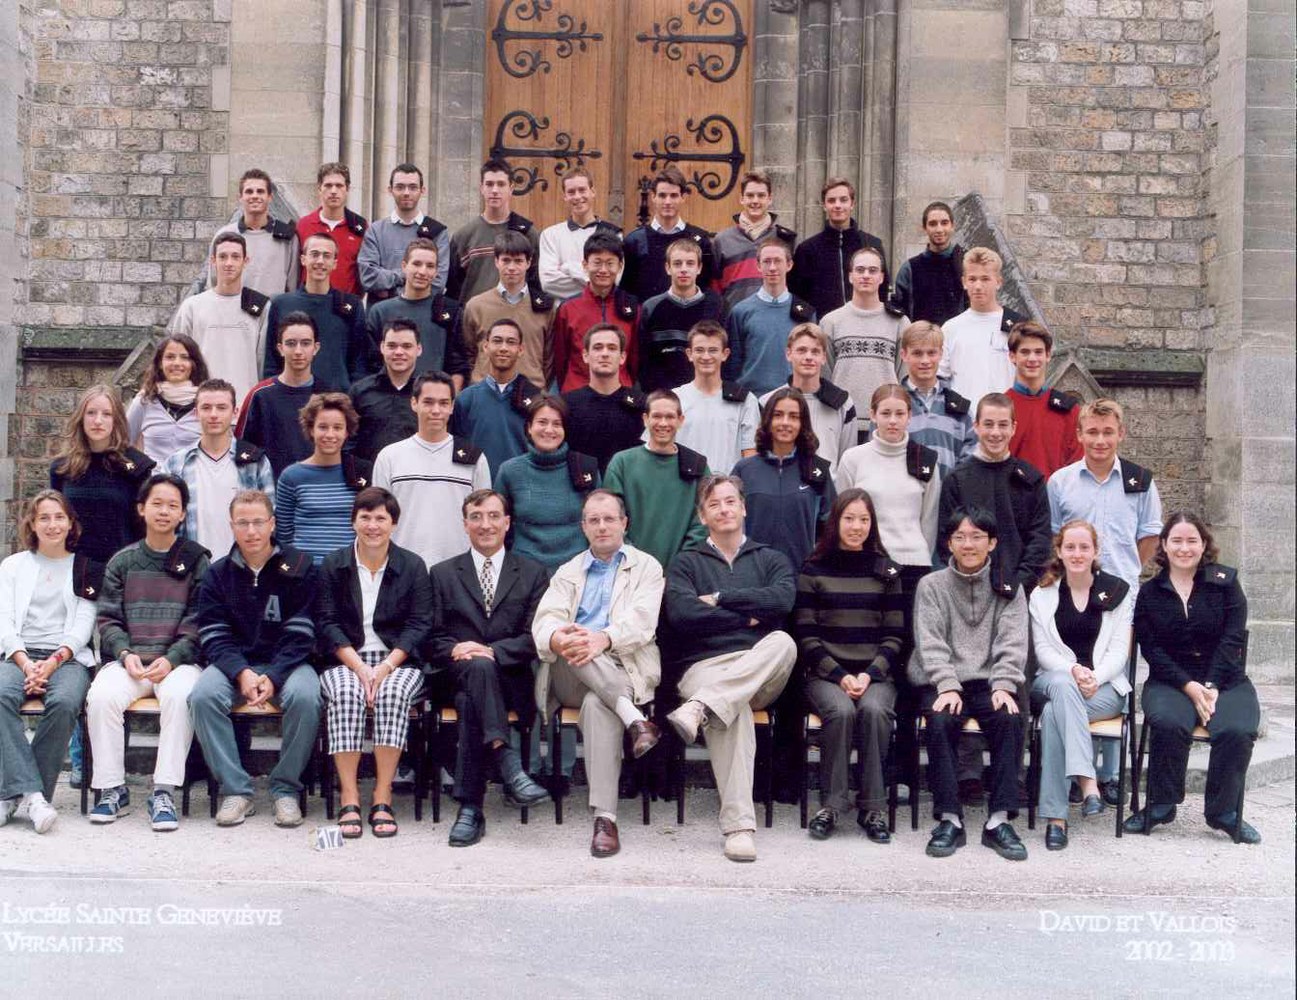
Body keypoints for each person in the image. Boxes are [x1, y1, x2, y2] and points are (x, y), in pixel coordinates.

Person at [663, 475, 797, 862]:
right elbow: (683, 614)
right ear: (702, 516)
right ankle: (739, 829)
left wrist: (721, 597)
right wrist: (748, 617)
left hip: (760, 667)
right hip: (704, 667)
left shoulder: (770, 559)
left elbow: (782, 600)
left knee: (784, 641)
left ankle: (700, 706)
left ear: (743, 507)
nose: (723, 509)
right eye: (714, 504)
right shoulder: (686, 563)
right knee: (731, 708)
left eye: (730, 501)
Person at [532, 489, 666, 857]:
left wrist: (602, 639)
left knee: (597, 703)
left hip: (624, 669)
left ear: (624, 523)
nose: (602, 526)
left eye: (609, 519)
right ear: (583, 527)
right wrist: (560, 637)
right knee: (572, 643)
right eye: (594, 520)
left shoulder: (647, 568)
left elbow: (642, 622)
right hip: (570, 672)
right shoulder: (568, 572)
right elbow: (544, 622)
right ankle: (635, 720)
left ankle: (605, 819)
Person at [1125, 513, 1261, 844]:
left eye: (1191, 541)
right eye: (1176, 540)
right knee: (1168, 722)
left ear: (1203, 545)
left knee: (1237, 729)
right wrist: (1188, 686)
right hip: (1171, 680)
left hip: (1225, 679)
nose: (1184, 548)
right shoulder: (1150, 593)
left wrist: (1210, 685)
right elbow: (1152, 649)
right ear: (1164, 545)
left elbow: (1232, 639)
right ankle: (1161, 804)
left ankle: (1224, 812)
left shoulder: (1226, 583)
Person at [427, 489, 552, 847]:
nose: (486, 524)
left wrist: (492, 651)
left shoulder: (532, 573)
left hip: (510, 681)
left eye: (494, 516)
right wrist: (455, 649)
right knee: (475, 674)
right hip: (454, 675)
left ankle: (471, 808)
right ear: (465, 524)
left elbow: (536, 637)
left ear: (507, 523)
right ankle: (506, 758)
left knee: (472, 698)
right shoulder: (442, 573)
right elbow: (431, 638)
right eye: (477, 517)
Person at [190, 489, 321, 828]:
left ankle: (285, 788)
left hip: (288, 664)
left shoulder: (300, 567)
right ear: (232, 526)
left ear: (272, 524)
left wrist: (274, 675)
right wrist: (241, 673)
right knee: (202, 697)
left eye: (259, 522)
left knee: (307, 697)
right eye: (243, 523)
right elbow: (213, 635)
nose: (251, 531)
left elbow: (302, 633)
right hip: (234, 665)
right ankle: (236, 790)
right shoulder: (217, 574)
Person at [86, 473, 208, 830]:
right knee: (101, 697)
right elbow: (108, 620)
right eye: (157, 503)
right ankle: (112, 789)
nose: (164, 511)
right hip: (132, 662)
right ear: (141, 509)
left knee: (181, 696)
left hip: (178, 663)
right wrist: (125, 654)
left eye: (173, 505)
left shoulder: (196, 560)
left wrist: (172, 658)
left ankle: (164, 791)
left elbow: (199, 620)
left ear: (183, 513)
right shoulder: (122, 561)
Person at [907, 507, 1029, 861]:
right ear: (949, 543)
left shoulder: (1009, 586)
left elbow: (1012, 642)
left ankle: (999, 820)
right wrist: (946, 684)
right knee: (940, 719)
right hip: (942, 678)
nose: (968, 544)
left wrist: (1004, 684)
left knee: (1009, 717)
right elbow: (930, 641)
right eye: (960, 537)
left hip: (990, 680)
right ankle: (949, 818)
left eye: (977, 537)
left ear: (992, 543)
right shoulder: (931, 586)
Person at [315, 487, 433, 839]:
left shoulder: (412, 565)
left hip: (397, 661)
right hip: (346, 659)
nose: (372, 525)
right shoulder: (334, 564)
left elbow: (419, 625)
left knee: (393, 694)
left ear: (394, 524)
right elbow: (327, 622)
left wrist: (383, 669)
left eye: (381, 518)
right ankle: (349, 795)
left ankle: (383, 795)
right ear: (353, 521)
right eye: (365, 517)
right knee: (346, 694)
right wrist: (360, 668)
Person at [795, 488, 905, 842]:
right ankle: (831, 805)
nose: (856, 526)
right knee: (841, 712)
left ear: (872, 525)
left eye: (864, 519)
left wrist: (869, 675)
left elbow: (895, 636)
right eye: (849, 518)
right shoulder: (814, 568)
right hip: (826, 675)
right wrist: (841, 676)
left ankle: (872, 808)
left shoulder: (887, 571)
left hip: (875, 676)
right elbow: (806, 635)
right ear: (835, 522)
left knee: (874, 711)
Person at [1030, 520, 1133, 850]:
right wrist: (1074, 670)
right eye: (1070, 547)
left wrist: (1096, 677)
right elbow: (1043, 651)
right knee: (1062, 686)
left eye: (1084, 547)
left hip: (1104, 689)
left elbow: (1119, 650)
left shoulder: (1116, 591)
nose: (1077, 554)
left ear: (1095, 551)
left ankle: (1056, 819)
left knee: (1054, 714)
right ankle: (1089, 782)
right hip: (1054, 678)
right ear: (1059, 551)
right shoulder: (1042, 594)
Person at [0, 492, 99, 833]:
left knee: (66, 701)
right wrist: (27, 664)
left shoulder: (85, 568)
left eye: (59, 517)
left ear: (71, 523)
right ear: (32, 523)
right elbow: (4, 621)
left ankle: (12, 795)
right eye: (44, 517)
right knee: (1, 694)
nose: (52, 524)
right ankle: (33, 796)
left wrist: (52, 663)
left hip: (67, 658)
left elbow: (83, 626)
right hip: (18, 655)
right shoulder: (13, 566)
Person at [835, 384, 941, 636]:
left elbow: (929, 518)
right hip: (866, 563)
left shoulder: (925, 460)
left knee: (907, 640)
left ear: (909, 416)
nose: (893, 421)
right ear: (873, 415)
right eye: (885, 413)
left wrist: (918, 553)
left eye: (899, 413)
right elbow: (842, 516)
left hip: (913, 566)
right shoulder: (853, 459)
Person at [372, 372, 492, 568]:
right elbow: (379, 519)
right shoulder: (390, 457)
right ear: (414, 403)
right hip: (403, 570)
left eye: (443, 403)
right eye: (428, 402)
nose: (436, 410)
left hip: (458, 572)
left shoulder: (474, 458)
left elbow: (483, 520)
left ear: (452, 406)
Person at [939, 393, 1051, 594]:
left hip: (1020, 592)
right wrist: (970, 583)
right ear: (976, 426)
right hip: (968, 591)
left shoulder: (1031, 480)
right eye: (988, 424)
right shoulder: (956, 480)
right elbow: (946, 540)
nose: (995, 432)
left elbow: (1040, 540)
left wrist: (1018, 585)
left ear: (1013, 428)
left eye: (1003, 425)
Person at [1047, 398, 1162, 591]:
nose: (1100, 441)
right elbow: (1054, 535)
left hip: (1124, 589)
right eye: (1092, 432)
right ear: (1079, 434)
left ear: (1121, 434)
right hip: (1074, 589)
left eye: (1108, 432)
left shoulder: (1141, 482)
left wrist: (1128, 568)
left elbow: (1150, 535)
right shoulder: (1060, 482)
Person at [162, 379, 274, 560]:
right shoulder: (176, 464)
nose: (213, 415)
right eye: (206, 408)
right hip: (193, 567)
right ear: (196, 413)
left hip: (243, 566)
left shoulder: (256, 463)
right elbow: (165, 524)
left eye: (222, 408)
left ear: (235, 412)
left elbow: (269, 519)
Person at [603, 390, 709, 572]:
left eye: (670, 417)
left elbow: (703, 522)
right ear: (645, 419)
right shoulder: (622, 463)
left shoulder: (697, 466)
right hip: (629, 570)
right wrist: (637, 564)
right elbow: (611, 518)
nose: (663, 423)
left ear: (680, 420)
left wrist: (682, 565)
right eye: (657, 416)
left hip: (682, 573)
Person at [732, 386, 833, 574]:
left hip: (801, 578)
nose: (785, 422)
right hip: (752, 577)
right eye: (778, 415)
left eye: (794, 417)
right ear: (767, 420)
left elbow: (830, 528)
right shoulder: (744, 470)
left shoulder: (818, 471)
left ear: (803, 423)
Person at [51, 384, 155, 565]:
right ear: (81, 418)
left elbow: (145, 527)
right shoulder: (62, 468)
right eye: (91, 413)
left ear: (116, 420)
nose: (98, 421)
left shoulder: (137, 467)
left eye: (106, 414)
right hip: (71, 568)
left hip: (120, 570)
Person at [494, 394, 601, 570]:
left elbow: (599, 521)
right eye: (542, 422)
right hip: (524, 571)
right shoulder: (510, 471)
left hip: (577, 570)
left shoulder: (585, 468)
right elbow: (498, 525)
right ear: (529, 427)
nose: (549, 430)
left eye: (557, 424)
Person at [169, 231, 270, 406]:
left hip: (245, 407)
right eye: (223, 257)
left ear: (245, 261)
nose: (229, 263)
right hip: (202, 407)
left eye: (235, 257)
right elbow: (177, 358)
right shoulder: (192, 307)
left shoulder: (261, 307)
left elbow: (263, 361)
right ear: (213, 260)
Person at [274, 393, 373, 566]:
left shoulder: (361, 473)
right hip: (305, 572)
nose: (330, 434)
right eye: (323, 427)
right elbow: (284, 535)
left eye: (337, 427)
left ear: (347, 432)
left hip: (348, 570)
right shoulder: (291, 477)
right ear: (311, 429)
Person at [264, 232, 369, 391]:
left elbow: (359, 362)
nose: (320, 261)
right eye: (314, 254)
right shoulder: (281, 304)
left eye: (326, 256)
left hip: (337, 398)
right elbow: (271, 361)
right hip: (292, 396)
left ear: (334, 263)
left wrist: (354, 397)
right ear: (303, 259)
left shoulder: (351, 305)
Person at [820, 246, 908, 423]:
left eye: (872, 270)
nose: (866, 275)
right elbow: (824, 377)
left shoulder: (900, 323)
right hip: (842, 421)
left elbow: (904, 376)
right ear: (850, 276)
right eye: (860, 270)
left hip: (886, 423)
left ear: (881, 277)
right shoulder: (830, 322)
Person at [759, 323, 858, 475]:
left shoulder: (843, 404)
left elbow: (848, 460)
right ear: (788, 354)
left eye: (815, 351)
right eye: (801, 350)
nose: (808, 357)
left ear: (824, 357)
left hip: (828, 487)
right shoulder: (767, 402)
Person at [363, 237, 467, 382]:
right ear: (404, 266)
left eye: (430, 266)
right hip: (390, 393)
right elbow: (369, 364)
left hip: (434, 393)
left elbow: (458, 366)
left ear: (436, 271)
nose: (422, 271)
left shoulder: (449, 310)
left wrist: (450, 395)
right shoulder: (380, 312)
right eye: (417, 264)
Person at [237, 311, 327, 477]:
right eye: (291, 343)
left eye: (305, 343)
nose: (298, 351)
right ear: (280, 348)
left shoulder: (328, 396)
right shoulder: (260, 396)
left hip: (318, 487)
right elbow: (242, 449)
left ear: (316, 348)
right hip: (271, 488)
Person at [723, 237, 815, 396]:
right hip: (751, 399)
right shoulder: (740, 312)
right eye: (767, 261)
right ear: (758, 266)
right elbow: (733, 364)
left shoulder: (805, 313)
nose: (772, 267)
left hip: (792, 399)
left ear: (789, 265)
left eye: (778, 261)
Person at [938, 246, 1025, 412]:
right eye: (972, 279)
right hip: (962, 421)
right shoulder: (951, 328)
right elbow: (941, 379)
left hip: (1004, 419)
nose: (978, 286)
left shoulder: (1017, 327)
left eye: (985, 279)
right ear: (964, 282)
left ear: (998, 282)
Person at [461, 231, 553, 389]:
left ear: (529, 263)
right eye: (506, 260)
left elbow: (549, 358)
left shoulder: (546, 309)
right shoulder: (476, 306)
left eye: (518, 261)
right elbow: (468, 353)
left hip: (531, 392)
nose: (512, 267)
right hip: (486, 391)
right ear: (496, 261)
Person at [790, 176, 888, 321]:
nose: (837, 205)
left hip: (866, 324)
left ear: (852, 203)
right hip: (822, 327)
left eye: (843, 200)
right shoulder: (807, 250)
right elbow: (797, 295)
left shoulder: (872, 244)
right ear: (824, 205)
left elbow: (882, 289)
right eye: (831, 200)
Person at [551, 231, 639, 391]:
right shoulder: (568, 309)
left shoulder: (632, 308)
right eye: (597, 263)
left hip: (620, 392)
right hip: (577, 392)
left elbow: (634, 359)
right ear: (585, 265)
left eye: (610, 263)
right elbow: (560, 360)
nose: (603, 270)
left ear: (620, 266)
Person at [637, 237, 726, 393]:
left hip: (704, 394)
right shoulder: (651, 308)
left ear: (699, 268)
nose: (683, 269)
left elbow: (724, 355)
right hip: (662, 396)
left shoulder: (716, 307)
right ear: (668, 268)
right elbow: (643, 359)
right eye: (677, 264)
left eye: (690, 263)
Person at [671, 320, 759, 475]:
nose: (706, 356)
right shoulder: (673, 399)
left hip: (728, 486)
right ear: (689, 354)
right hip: (685, 485)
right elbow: (661, 450)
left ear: (725, 354)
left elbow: (750, 454)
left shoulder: (745, 400)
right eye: (699, 350)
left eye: (713, 350)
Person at [447, 158, 541, 303]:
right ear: (481, 188)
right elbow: (453, 288)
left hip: (515, 312)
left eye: (501, 184)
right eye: (489, 184)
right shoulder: (463, 236)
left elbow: (536, 281)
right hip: (475, 314)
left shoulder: (527, 233)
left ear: (511, 188)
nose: (495, 190)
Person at [450, 319, 535, 477]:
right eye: (497, 341)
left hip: (519, 485)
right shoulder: (466, 399)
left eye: (511, 342)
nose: (503, 348)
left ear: (520, 349)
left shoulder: (536, 400)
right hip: (476, 486)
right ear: (485, 347)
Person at [562, 323, 648, 474]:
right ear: (585, 356)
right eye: (598, 347)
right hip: (581, 486)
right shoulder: (566, 405)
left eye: (612, 348)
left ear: (622, 357)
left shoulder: (642, 406)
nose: (605, 354)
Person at [620, 165, 715, 302]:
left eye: (674, 196)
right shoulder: (634, 241)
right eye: (662, 195)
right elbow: (626, 290)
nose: (668, 202)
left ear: (683, 197)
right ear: (653, 197)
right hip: (648, 314)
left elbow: (708, 287)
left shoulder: (700, 240)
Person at [357, 162, 449, 302]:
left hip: (423, 311)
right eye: (400, 187)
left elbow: (438, 282)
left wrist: (390, 290)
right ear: (390, 190)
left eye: (413, 187)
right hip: (383, 313)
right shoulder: (375, 231)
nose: (406, 193)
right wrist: (405, 275)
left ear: (422, 190)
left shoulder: (437, 232)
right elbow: (368, 278)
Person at [711, 169, 797, 312]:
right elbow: (715, 287)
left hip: (775, 315)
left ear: (770, 199)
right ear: (741, 199)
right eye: (750, 195)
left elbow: (795, 285)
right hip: (733, 317)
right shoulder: (722, 240)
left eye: (761, 195)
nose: (755, 201)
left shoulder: (785, 239)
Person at [1005, 321, 1082, 478]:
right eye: (1025, 352)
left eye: (1038, 352)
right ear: (1012, 356)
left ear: (1048, 355)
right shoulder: (1001, 407)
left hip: (1055, 492)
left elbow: (1077, 464)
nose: (1032, 358)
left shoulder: (1070, 411)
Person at [899, 321, 976, 478]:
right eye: (917, 353)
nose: (925, 360)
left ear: (941, 354)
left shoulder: (960, 408)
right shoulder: (891, 405)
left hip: (948, 492)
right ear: (904, 355)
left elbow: (971, 460)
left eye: (931, 353)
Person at [206, 168, 299, 297]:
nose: (255, 196)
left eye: (260, 191)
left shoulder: (288, 238)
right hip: (234, 308)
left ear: (270, 197)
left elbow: (293, 286)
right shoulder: (224, 235)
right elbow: (213, 283)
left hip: (273, 309)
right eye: (249, 191)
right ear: (240, 197)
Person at [537, 167, 622, 301]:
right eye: (571, 192)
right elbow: (548, 283)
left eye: (582, 190)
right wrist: (596, 283)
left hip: (602, 309)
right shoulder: (550, 235)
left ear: (592, 192)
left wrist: (569, 268)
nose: (577, 196)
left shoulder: (613, 234)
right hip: (564, 311)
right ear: (565, 196)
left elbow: (615, 280)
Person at [126, 334, 210, 465]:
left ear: (194, 364)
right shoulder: (145, 400)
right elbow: (124, 443)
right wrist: (137, 470)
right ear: (160, 363)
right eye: (170, 357)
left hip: (194, 477)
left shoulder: (207, 402)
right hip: (153, 477)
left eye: (185, 357)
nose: (177, 363)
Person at [348, 319, 421, 463]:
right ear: (382, 347)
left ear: (418, 349)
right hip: (368, 474)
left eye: (407, 346)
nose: (399, 352)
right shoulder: (360, 392)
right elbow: (347, 439)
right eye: (392, 346)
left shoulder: (428, 394)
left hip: (416, 473)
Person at [295, 161, 368, 296]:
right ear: (319, 189)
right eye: (328, 185)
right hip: (308, 301)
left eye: (339, 186)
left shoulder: (360, 228)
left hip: (346, 304)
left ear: (347, 189)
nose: (333, 191)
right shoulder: (303, 225)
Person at [889, 201, 966, 326]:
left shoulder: (967, 264)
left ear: (952, 226)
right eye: (933, 224)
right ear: (924, 228)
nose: (939, 229)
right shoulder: (910, 269)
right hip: (920, 337)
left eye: (944, 223)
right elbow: (899, 312)